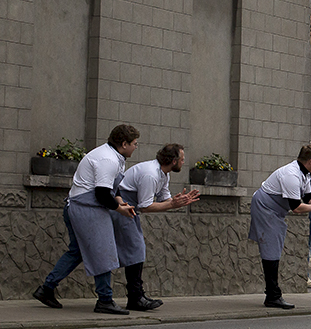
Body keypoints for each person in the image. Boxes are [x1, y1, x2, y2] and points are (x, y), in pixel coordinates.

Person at [33, 124, 140, 315]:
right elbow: (101, 194)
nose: (136, 147)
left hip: (77, 205)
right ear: (124, 144)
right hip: (88, 208)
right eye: (134, 143)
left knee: (77, 252)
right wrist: (119, 209)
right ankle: (105, 300)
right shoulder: (108, 159)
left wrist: (120, 202)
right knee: (103, 250)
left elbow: (111, 190)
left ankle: (46, 288)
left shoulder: (111, 155)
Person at [248, 144, 311, 309]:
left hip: (275, 211)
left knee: (274, 249)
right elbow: (297, 207)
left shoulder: (305, 174)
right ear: (310, 161)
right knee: (271, 251)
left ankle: (273, 294)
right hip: (266, 208)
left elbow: (308, 197)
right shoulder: (291, 175)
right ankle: (273, 296)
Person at [111, 144, 201, 311]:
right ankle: (135, 297)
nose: (183, 162)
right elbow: (145, 206)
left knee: (136, 249)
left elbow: (164, 199)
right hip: (122, 207)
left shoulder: (163, 174)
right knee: (136, 249)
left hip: (130, 208)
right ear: (174, 161)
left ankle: (136, 295)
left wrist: (178, 201)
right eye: (182, 159)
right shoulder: (150, 174)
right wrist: (173, 205)